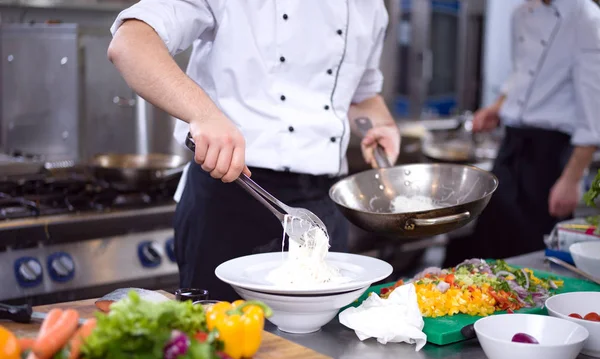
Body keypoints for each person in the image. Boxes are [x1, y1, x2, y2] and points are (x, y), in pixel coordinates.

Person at [108, 1, 401, 300]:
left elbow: (362, 94)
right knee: (222, 337)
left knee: (322, 344)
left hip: (323, 209)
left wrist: (381, 124)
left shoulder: (370, 7)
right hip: (231, 195)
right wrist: (204, 114)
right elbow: (131, 43)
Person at [444, 0, 600, 266]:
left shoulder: (587, 19)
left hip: (550, 157)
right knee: (490, 244)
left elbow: (594, 111)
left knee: (531, 256)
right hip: (512, 144)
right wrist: (497, 108)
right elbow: (520, 77)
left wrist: (572, 179)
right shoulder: (522, 13)